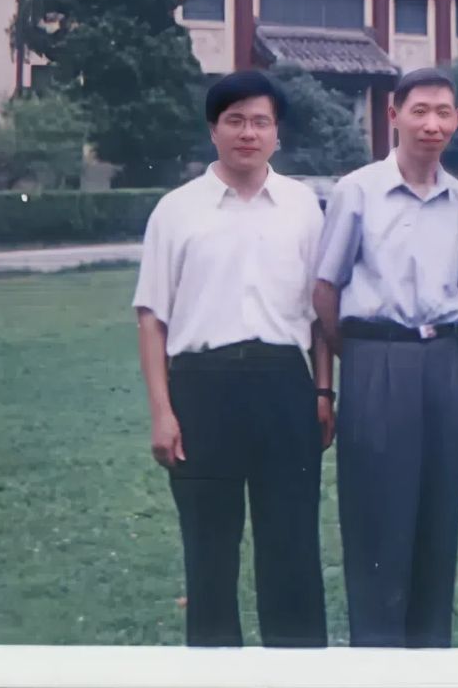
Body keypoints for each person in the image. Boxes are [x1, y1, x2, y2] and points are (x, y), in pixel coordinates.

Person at [131, 71, 332, 648]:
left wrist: (323, 392)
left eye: (261, 122)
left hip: (284, 387)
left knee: (292, 549)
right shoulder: (176, 210)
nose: (249, 133)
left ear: (277, 134)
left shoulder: (302, 207)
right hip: (202, 391)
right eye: (235, 120)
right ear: (213, 130)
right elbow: (152, 317)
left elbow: (319, 314)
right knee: (209, 553)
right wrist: (162, 412)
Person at [312, 67, 458, 648]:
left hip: (444, 362)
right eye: (419, 111)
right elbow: (325, 289)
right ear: (394, 115)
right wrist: (356, 356)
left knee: (438, 517)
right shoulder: (357, 191)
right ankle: (377, 658)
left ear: (457, 120)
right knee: (378, 522)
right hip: (376, 357)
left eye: (443, 112)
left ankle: (430, 657)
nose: (432, 124)